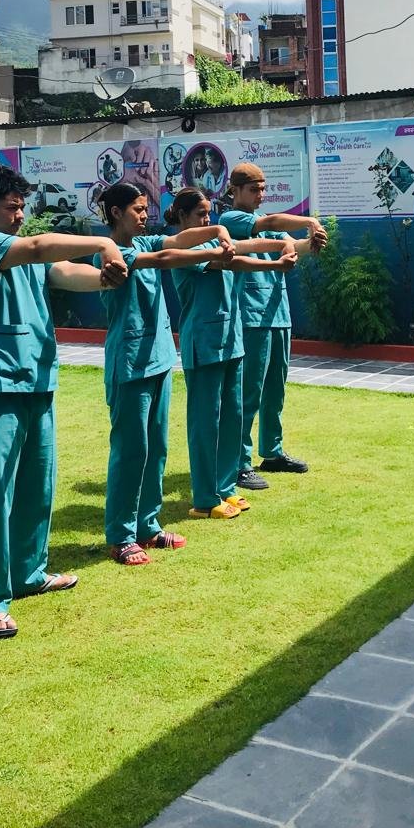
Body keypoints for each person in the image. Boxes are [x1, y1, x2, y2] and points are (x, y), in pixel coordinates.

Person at [0, 164, 128, 638]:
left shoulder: (19, 250)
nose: (20, 216)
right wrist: (103, 242)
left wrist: (104, 278)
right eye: (12, 208)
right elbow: (38, 247)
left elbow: (60, 269)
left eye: (23, 207)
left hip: (34, 379)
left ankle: (28, 573)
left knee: (35, 488)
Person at [94, 182, 237, 563]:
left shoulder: (144, 241)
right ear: (115, 213)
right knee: (131, 450)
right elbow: (165, 258)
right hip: (130, 363)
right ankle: (121, 535)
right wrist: (211, 248)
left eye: (146, 209)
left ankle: (148, 526)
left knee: (156, 448)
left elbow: (175, 240)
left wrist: (216, 230)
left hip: (158, 359)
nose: (145, 215)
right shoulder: (111, 253)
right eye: (137, 209)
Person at [166, 189, 297, 520]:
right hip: (205, 343)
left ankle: (225, 488)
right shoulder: (184, 248)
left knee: (232, 418)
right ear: (182, 216)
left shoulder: (213, 241)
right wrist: (275, 260)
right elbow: (231, 259)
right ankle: (205, 498)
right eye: (200, 214)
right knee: (206, 423)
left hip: (231, 341)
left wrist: (283, 246)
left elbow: (243, 248)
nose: (207, 220)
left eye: (208, 213)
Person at [219, 163, 328, 491]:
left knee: (275, 390)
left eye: (263, 189)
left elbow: (292, 246)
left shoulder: (266, 222)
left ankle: (272, 451)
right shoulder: (231, 220)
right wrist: (309, 221)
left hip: (278, 314)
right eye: (254, 189)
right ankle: (238, 463)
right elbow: (269, 224)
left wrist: (312, 241)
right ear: (235, 190)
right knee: (248, 392)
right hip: (251, 316)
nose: (260, 195)